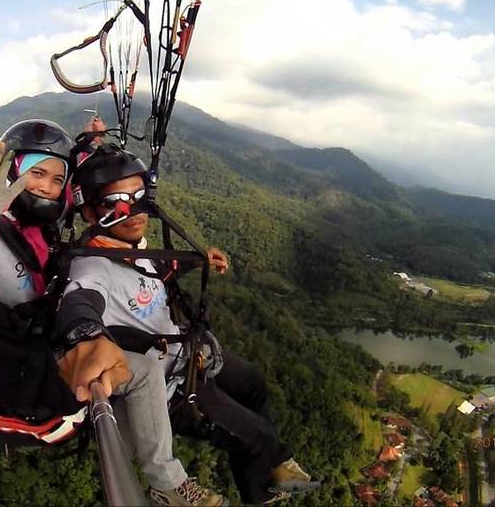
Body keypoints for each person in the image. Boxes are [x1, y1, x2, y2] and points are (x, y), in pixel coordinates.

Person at [0, 119, 226, 507]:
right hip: (27, 353)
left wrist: (89, 143)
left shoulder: (40, 216)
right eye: (35, 173)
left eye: (55, 178)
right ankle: (164, 478)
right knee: (145, 370)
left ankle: (151, 430)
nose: (45, 187)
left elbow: (76, 197)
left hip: (49, 326)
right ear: (12, 171)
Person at [55, 142, 313, 505]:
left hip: (186, 354)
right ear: (90, 211)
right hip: (173, 386)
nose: (133, 210)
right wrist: (83, 335)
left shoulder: (133, 250)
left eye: (139, 195)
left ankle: (272, 455)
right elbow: (80, 300)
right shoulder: (94, 265)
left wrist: (198, 259)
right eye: (116, 200)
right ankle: (260, 490)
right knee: (257, 438)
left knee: (253, 382)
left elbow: (159, 271)